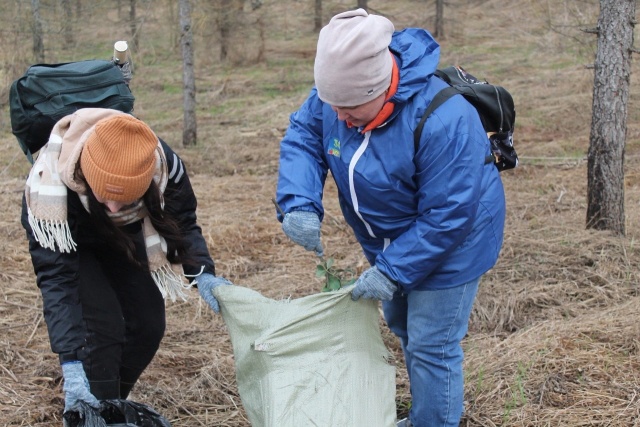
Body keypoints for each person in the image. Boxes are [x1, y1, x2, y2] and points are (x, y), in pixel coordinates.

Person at [275, 9, 505, 427]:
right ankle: (427, 409)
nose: (340, 118)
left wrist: (393, 271)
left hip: (456, 241)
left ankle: (435, 421)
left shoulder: (444, 120)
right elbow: (305, 134)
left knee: (432, 344)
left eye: (350, 109)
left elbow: (448, 215)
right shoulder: (338, 97)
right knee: (401, 323)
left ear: (381, 87)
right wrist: (299, 201)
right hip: (390, 238)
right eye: (334, 105)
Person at [21, 108, 232, 416]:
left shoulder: (162, 167)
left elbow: (183, 220)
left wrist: (203, 273)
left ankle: (107, 405)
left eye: (125, 198)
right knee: (104, 327)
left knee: (148, 325)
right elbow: (58, 281)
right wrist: (71, 363)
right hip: (70, 237)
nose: (113, 206)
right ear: (86, 173)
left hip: (124, 234)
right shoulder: (50, 189)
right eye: (104, 195)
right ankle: (94, 409)